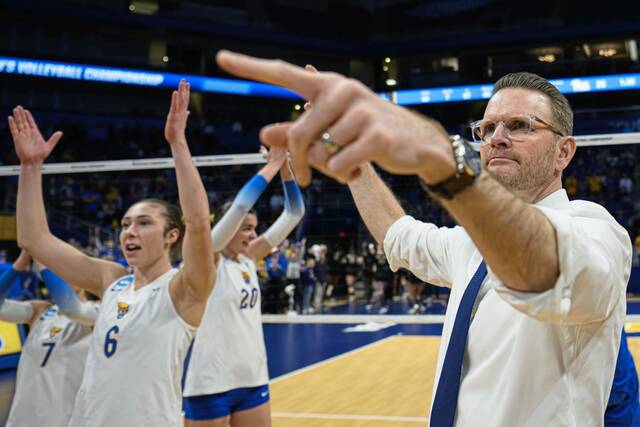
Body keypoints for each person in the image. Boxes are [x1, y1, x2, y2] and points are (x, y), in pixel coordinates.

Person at [215, 52, 631, 425]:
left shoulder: (597, 231)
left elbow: (546, 266)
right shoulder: (471, 243)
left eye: (520, 125)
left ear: (564, 152)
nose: (497, 137)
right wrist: (354, 164)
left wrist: (449, 166)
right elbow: (399, 235)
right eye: (486, 129)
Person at [9, 79, 215, 427]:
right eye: (125, 224)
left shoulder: (185, 289)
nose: (130, 231)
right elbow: (34, 239)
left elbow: (198, 222)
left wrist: (178, 143)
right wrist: (30, 168)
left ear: (171, 236)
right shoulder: (111, 279)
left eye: (144, 223)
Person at [182, 147, 304, 427]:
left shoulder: (248, 258)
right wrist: (271, 166)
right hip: (210, 381)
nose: (254, 234)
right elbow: (238, 207)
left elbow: (295, 212)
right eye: (246, 228)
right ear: (229, 227)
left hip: (252, 377)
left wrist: (285, 167)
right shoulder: (208, 258)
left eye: (255, 227)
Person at [0, 251, 98, 427]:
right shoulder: (41, 310)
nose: (62, 273)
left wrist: (40, 260)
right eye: (59, 268)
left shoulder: (98, 312)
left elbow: (71, 308)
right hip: (22, 419)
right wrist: (19, 265)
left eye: (68, 269)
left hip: (64, 419)